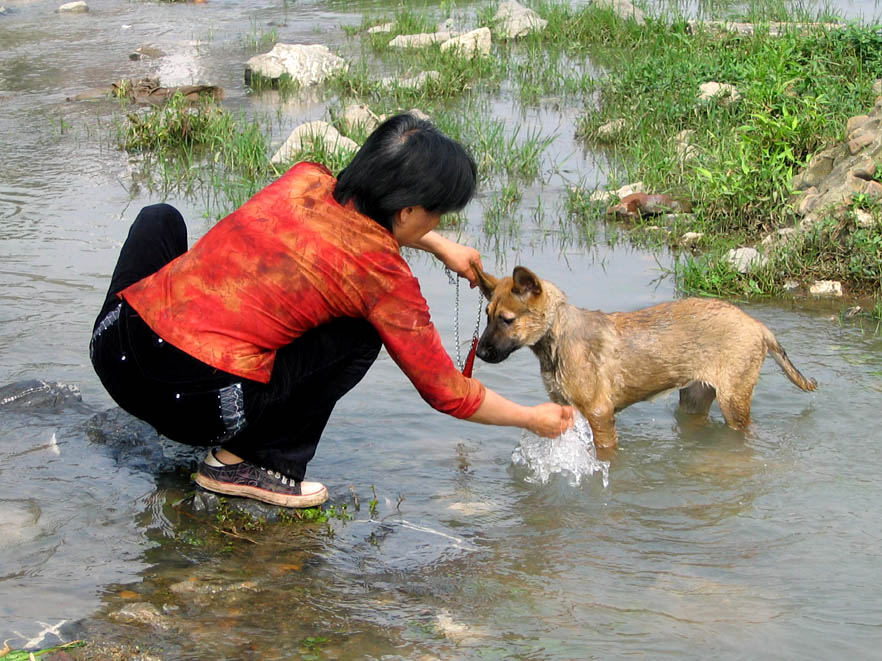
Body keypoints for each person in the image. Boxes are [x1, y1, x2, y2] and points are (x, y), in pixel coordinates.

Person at [89, 113, 575, 508]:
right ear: (407, 212)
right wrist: (533, 417)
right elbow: (446, 392)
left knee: (161, 220)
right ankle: (256, 464)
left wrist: (438, 244)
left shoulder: (304, 179)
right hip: (196, 404)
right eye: (437, 213)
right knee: (363, 332)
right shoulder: (383, 276)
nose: (439, 221)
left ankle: (188, 396)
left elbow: (363, 210)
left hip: (114, 351)